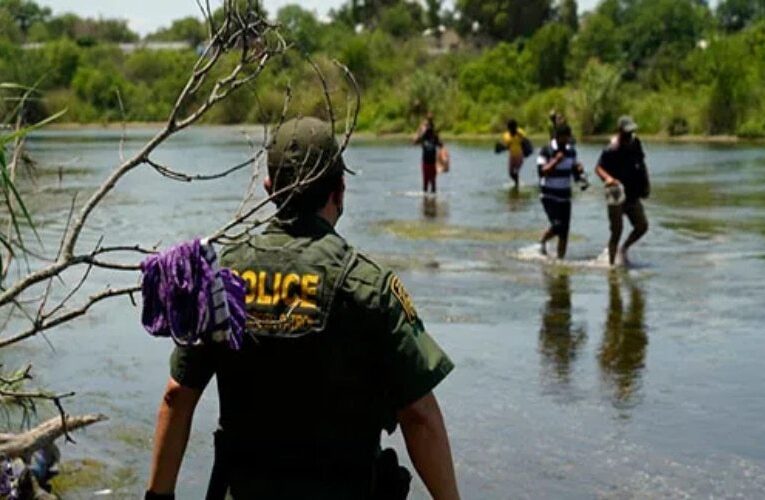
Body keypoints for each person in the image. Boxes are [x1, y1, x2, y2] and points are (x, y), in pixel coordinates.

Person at [146, 117, 459, 500]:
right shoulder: (367, 285)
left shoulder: (220, 278)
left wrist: (157, 496)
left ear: (269, 190)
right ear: (340, 191)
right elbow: (419, 416)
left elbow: (177, 397)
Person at [595, 116, 650, 266]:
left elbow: (642, 163)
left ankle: (623, 249)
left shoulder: (635, 143)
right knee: (617, 231)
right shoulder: (611, 149)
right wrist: (608, 178)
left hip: (632, 191)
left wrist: (646, 185)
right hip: (615, 191)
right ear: (619, 132)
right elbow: (598, 168)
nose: (629, 136)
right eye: (626, 133)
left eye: (631, 132)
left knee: (642, 226)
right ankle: (612, 266)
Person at [537, 124, 587, 259]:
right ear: (557, 137)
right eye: (563, 139)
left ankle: (560, 261)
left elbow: (574, 173)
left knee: (564, 231)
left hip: (565, 196)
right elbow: (541, 172)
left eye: (567, 139)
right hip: (549, 195)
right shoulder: (546, 150)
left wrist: (580, 175)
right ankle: (542, 240)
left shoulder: (572, 151)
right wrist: (555, 161)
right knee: (557, 226)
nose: (565, 142)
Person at [414, 112, 443, 194]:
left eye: (430, 126)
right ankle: (426, 203)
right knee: (425, 184)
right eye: (427, 127)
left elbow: (441, 145)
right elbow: (414, 142)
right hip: (425, 163)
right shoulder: (423, 137)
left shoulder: (434, 136)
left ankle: (432, 201)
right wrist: (420, 131)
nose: (429, 128)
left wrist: (437, 135)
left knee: (433, 184)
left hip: (433, 163)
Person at [500, 119, 527, 189]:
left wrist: (526, 151)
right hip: (511, 156)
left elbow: (525, 142)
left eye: (514, 128)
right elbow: (506, 146)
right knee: (510, 173)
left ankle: (517, 185)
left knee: (515, 172)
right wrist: (502, 146)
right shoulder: (506, 136)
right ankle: (517, 184)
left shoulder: (520, 133)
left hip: (519, 156)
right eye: (510, 128)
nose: (512, 130)